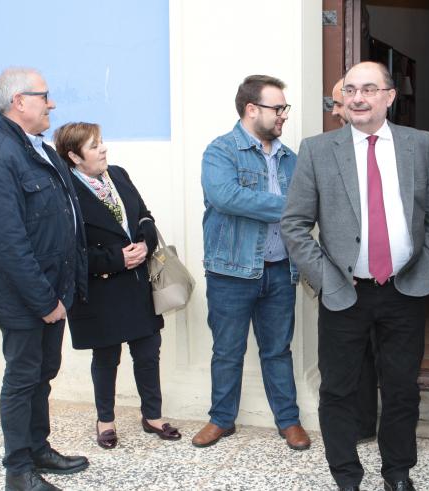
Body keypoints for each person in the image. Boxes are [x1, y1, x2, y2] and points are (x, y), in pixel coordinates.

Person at [282, 61, 429, 491]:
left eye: (369, 89)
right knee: (338, 390)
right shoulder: (317, 149)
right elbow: (294, 225)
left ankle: (397, 473)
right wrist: (325, 276)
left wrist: (426, 265)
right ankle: (347, 477)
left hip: (404, 289)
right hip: (344, 292)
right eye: (350, 90)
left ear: (389, 96)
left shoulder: (419, 144)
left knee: (401, 389)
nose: (358, 98)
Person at [0, 67, 89, 491]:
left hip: (52, 290)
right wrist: (44, 301)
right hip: (26, 298)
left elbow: (62, 216)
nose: (51, 103)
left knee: (44, 372)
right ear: (20, 101)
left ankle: (38, 448)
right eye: (44, 96)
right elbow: (9, 246)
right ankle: (18, 471)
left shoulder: (39, 148)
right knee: (22, 378)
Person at [193, 74, 311, 452]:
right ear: (251, 109)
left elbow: (308, 211)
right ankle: (221, 420)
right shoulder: (220, 151)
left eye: (284, 108)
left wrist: (298, 211)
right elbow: (227, 197)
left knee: (277, 350)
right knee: (227, 350)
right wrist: (291, 207)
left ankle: (289, 422)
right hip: (231, 271)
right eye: (278, 108)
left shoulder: (291, 158)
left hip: (280, 270)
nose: (283, 116)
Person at [52, 122, 181, 450]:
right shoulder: (64, 190)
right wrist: (116, 259)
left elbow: (145, 217)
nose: (104, 149)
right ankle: (105, 421)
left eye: (101, 142)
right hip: (100, 290)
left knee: (148, 352)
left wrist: (145, 243)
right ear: (74, 156)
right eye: (94, 146)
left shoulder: (118, 174)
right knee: (107, 356)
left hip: (137, 284)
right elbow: (68, 250)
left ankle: (152, 416)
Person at [332, 76, 380, 445]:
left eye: (342, 100)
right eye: (341, 100)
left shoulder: (399, 147)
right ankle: (360, 424)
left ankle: (374, 422)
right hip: (341, 280)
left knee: (385, 360)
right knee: (351, 361)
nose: (338, 110)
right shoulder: (323, 151)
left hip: (387, 280)